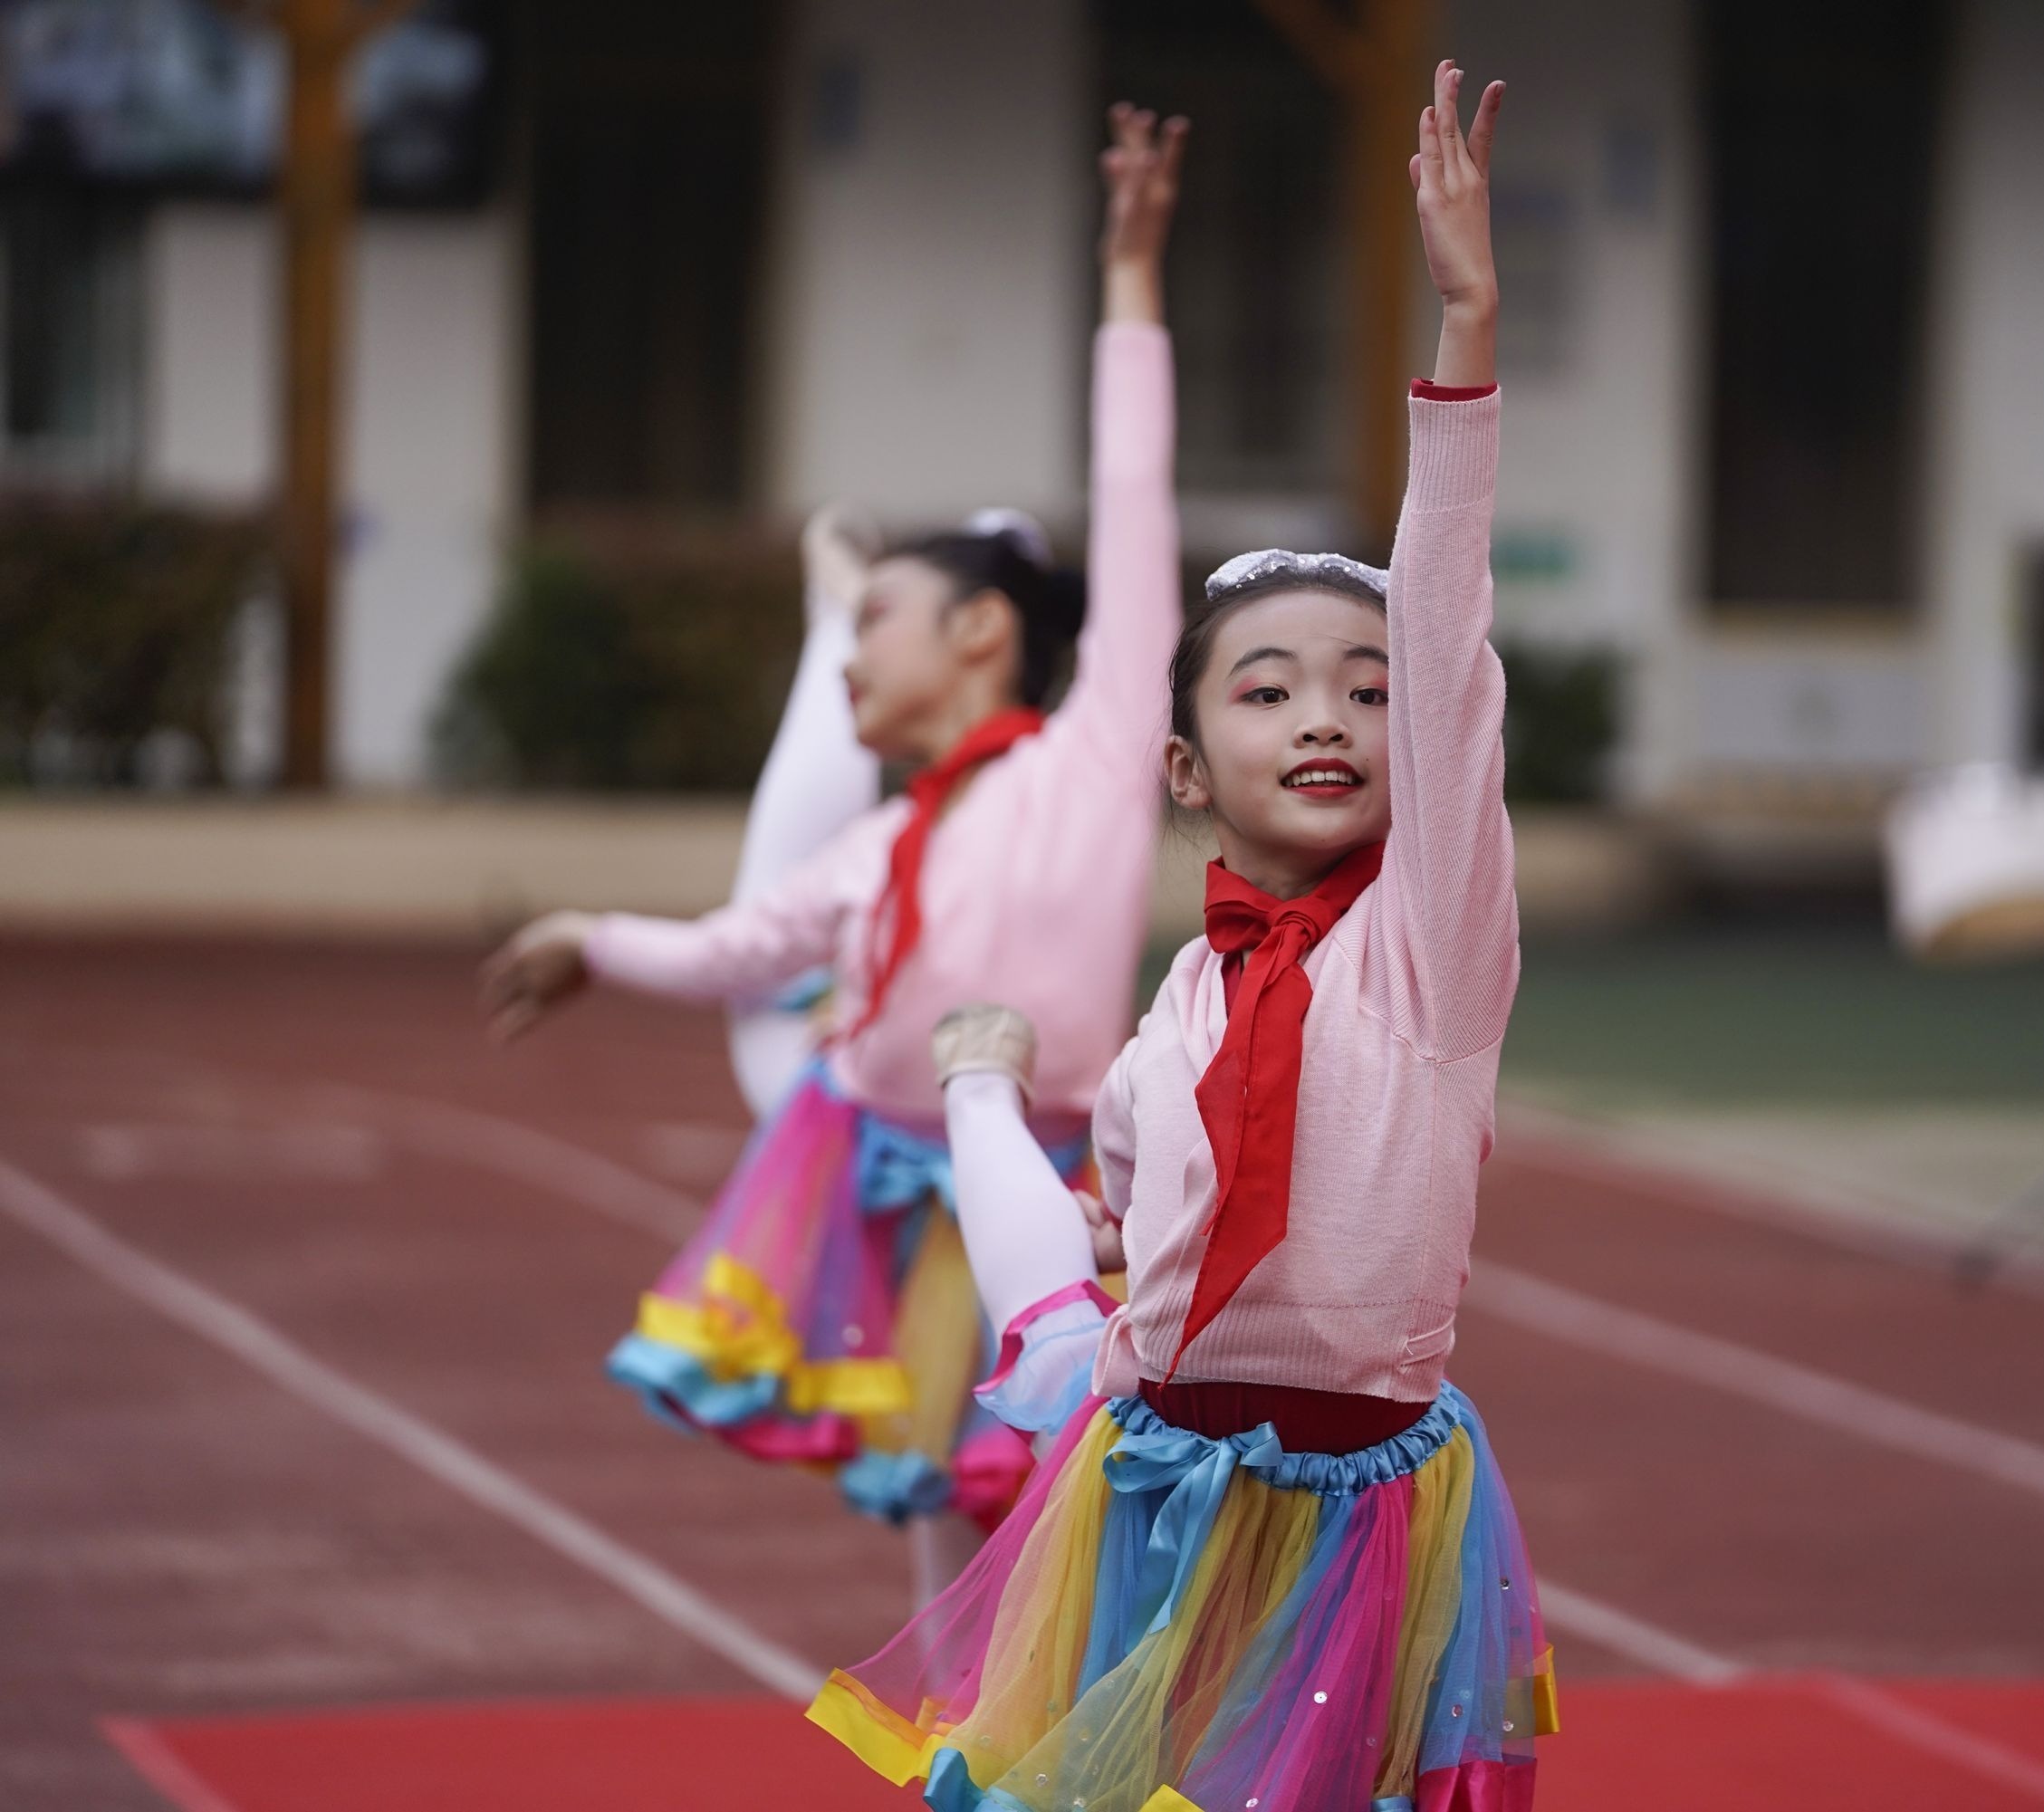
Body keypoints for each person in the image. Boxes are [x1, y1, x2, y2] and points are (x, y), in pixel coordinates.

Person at [805, 63, 1556, 1812]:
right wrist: (1081, 1207)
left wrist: (1464, 334)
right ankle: (987, 1102)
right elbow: (1144, 1214)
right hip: (1151, 1465)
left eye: (1366, 694)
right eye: (1272, 686)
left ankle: (983, 1098)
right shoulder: (1192, 984)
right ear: (1180, 767)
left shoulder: (1434, 946)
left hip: (1356, 1508)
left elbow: (1449, 640)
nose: (1332, 717)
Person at [478, 104, 1189, 1527]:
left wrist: (1129, 283)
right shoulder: (879, 841)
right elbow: (737, 945)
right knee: (935, 1489)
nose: (859, 656)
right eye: (846, 627)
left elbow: (1134, 498)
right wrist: (592, 936)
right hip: (885, 1168)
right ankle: (943, 1740)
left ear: (986, 628)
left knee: (1067, 1504)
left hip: (1056, 1189)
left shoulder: (1096, 753)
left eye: (876, 621)